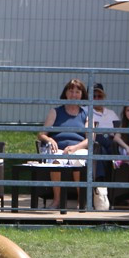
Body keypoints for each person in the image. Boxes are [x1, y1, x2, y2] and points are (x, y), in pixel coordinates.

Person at [36, 78, 90, 208]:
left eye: (77, 92)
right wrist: (49, 139)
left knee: (78, 160)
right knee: (56, 160)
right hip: (58, 149)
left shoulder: (87, 113)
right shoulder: (55, 112)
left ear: (82, 95)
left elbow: (91, 138)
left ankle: (81, 201)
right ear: (65, 93)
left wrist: (75, 148)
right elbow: (41, 134)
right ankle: (57, 200)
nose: (74, 94)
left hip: (78, 148)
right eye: (71, 91)